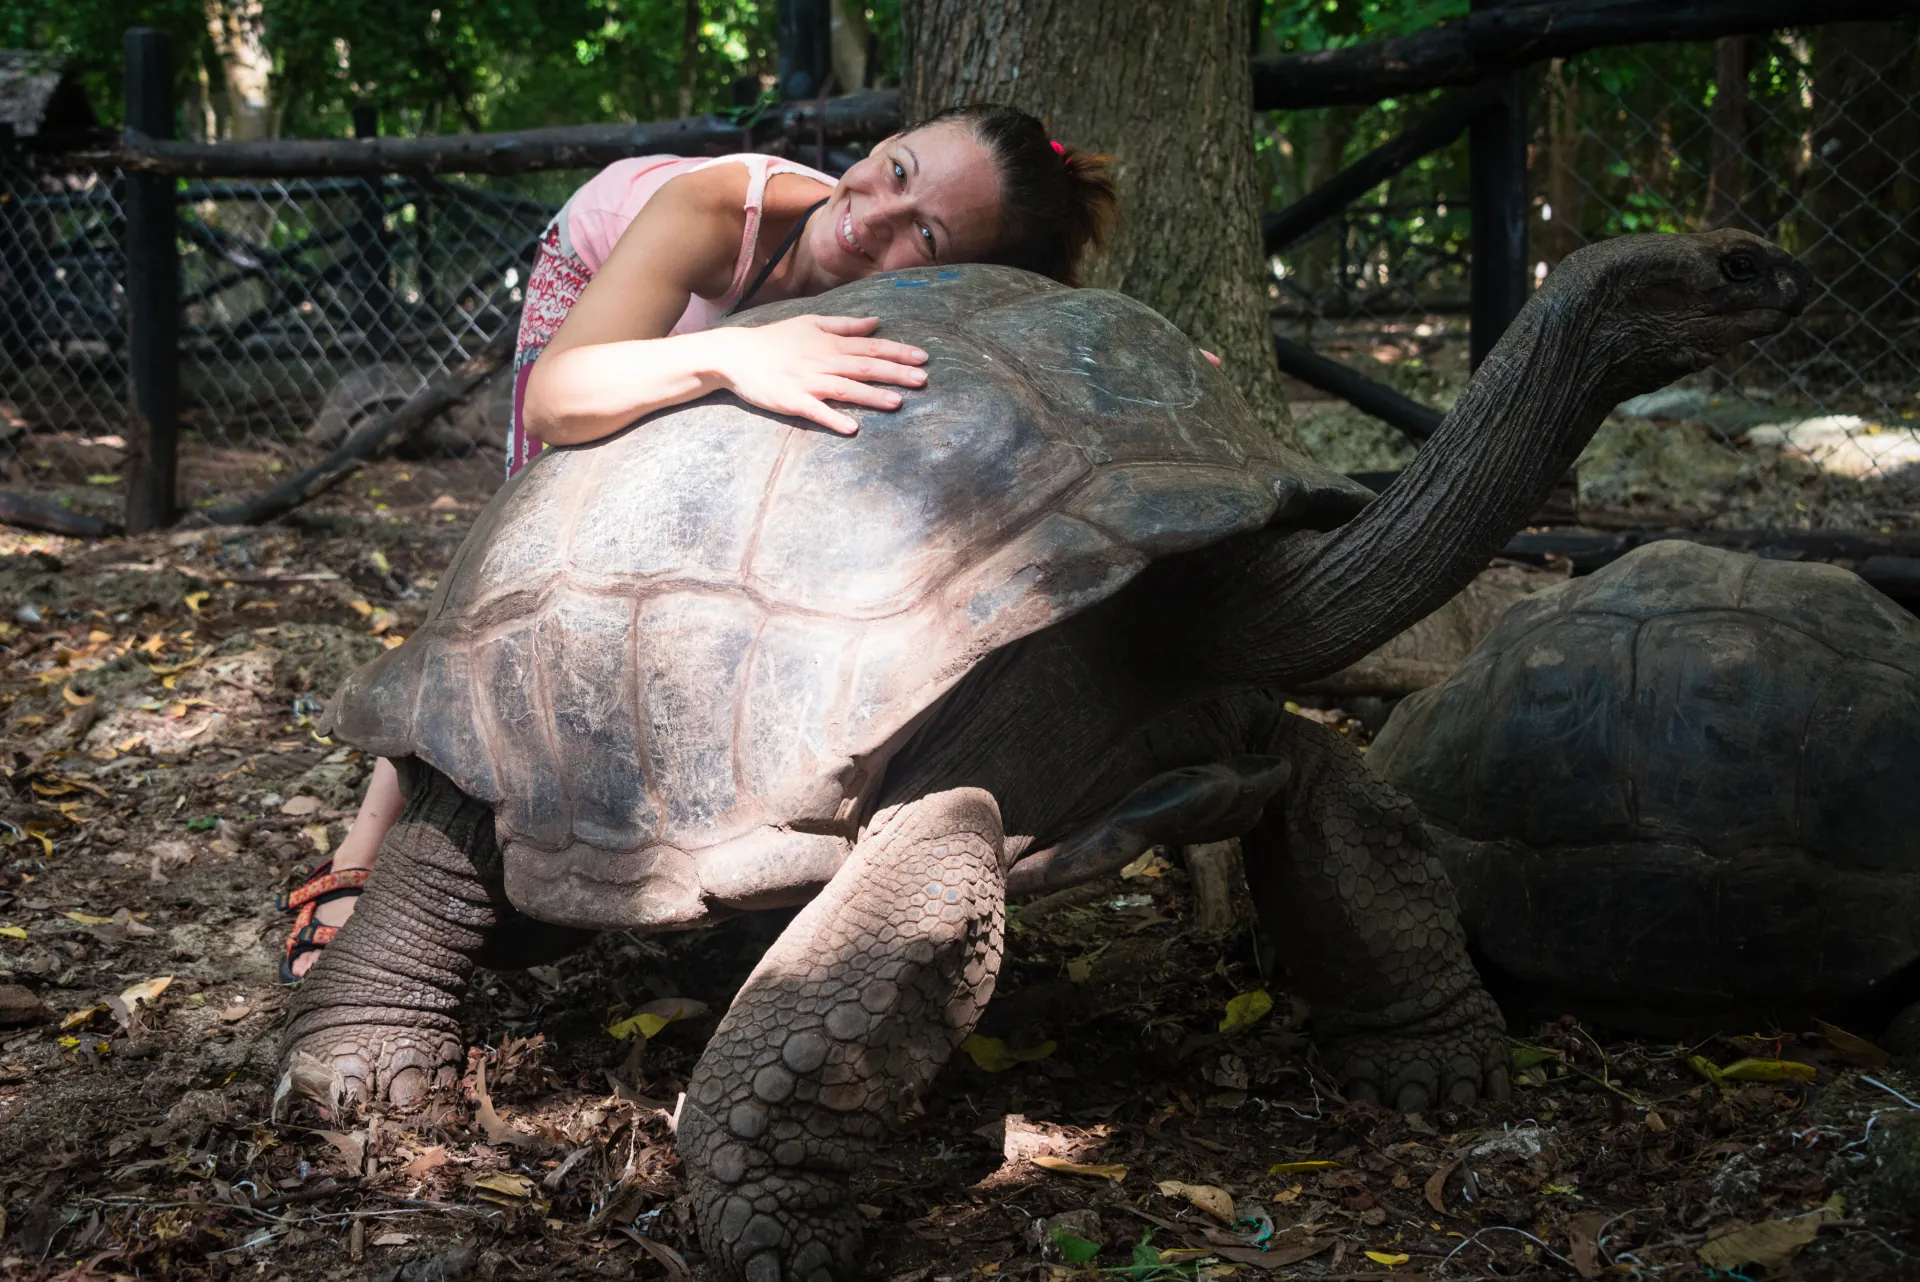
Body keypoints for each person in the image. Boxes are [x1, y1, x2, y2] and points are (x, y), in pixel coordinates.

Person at [280, 103, 1119, 979]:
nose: (872, 215)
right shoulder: (719, 205)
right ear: (884, 146)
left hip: (768, 351)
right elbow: (557, 397)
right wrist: (731, 358)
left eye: (929, 236)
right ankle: (362, 859)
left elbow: (1058, 349)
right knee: (525, 562)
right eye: (897, 170)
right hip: (614, 310)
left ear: (963, 278)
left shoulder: (944, 305)